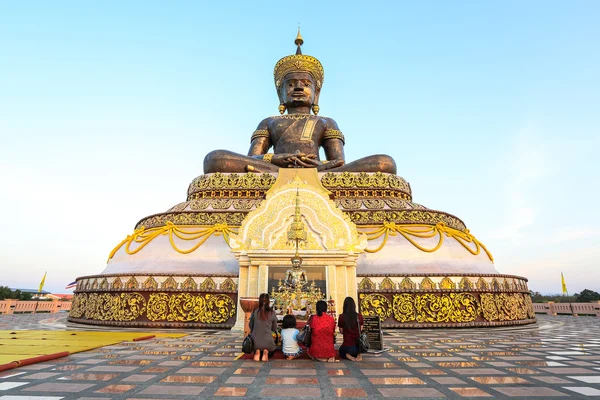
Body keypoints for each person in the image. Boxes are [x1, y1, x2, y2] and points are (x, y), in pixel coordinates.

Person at [203, 31, 396, 175]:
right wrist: (277, 159)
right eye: (291, 84)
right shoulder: (269, 122)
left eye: (305, 84)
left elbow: (339, 162)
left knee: (385, 163)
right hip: (273, 169)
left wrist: (320, 166)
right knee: (214, 159)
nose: (297, 88)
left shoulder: (326, 121)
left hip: (320, 171)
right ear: (280, 93)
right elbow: (252, 159)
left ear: (316, 92)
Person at [250, 293, 277, 362]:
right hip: (268, 342)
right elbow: (274, 328)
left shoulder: (255, 312)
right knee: (272, 348)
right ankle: (266, 351)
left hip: (255, 342)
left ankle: (257, 351)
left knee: (257, 345)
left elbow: (251, 325)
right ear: (269, 301)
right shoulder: (272, 312)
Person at [337, 296, 364, 361]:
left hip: (347, 345)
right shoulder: (359, 316)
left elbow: (341, 331)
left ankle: (349, 357)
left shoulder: (342, 316)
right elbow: (361, 329)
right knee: (356, 350)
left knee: (341, 351)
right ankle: (359, 354)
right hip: (359, 346)